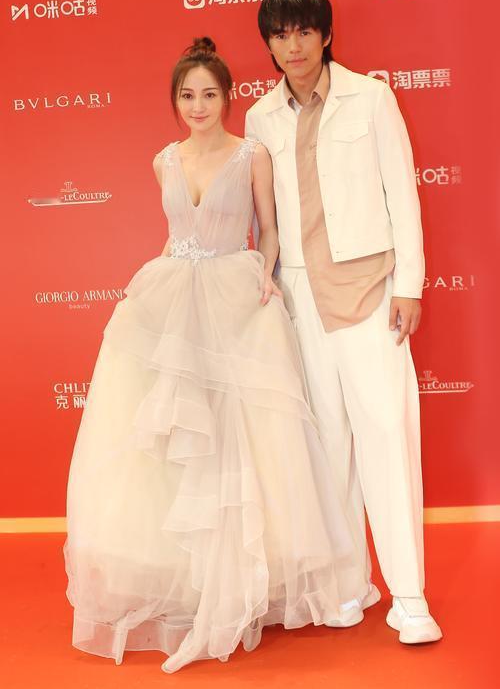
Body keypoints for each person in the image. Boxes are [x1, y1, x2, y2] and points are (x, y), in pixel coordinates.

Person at [63, 37, 374, 674]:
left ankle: (248, 583)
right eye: (187, 95)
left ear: (228, 98)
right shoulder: (164, 161)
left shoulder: (251, 154)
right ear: (175, 101)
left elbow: (270, 226)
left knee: (244, 442)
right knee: (177, 445)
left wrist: (266, 272)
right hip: (172, 301)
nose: (198, 106)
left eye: (209, 94)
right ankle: (191, 584)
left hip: (236, 298)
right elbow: (174, 234)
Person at [245, 0, 442, 644]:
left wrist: (409, 284)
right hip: (301, 298)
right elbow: (266, 219)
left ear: (326, 35)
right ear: (269, 44)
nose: (293, 46)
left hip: (369, 291)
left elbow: (402, 194)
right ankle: (346, 584)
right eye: (280, 35)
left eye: (304, 31)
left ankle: (409, 596)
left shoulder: (372, 98)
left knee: (387, 436)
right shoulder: (260, 118)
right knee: (327, 447)